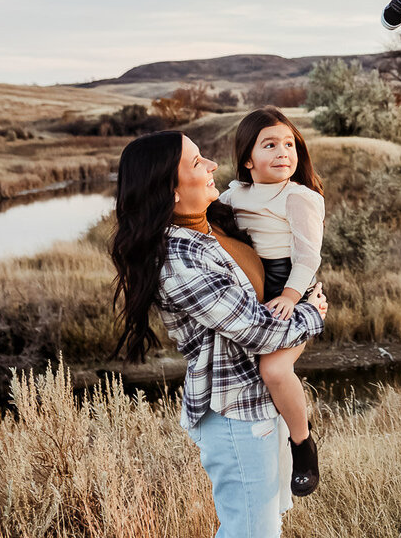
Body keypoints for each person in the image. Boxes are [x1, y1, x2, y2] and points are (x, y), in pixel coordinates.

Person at [110, 130, 328, 538]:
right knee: (250, 531)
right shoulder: (178, 262)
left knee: (266, 524)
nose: (212, 165)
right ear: (170, 192)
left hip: (261, 402)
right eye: (196, 162)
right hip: (235, 413)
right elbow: (258, 331)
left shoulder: (215, 225)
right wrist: (312, 312)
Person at [219, 106, 326, 497]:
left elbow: (308, 257)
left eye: (289, 144)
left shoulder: (298, 197)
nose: (283, 152)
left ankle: (303, 445)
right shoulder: (234, 194)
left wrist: (291, 296)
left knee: (275, 372)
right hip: (252, 285)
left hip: (289, 286)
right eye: (270, 145)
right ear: (248, 158)